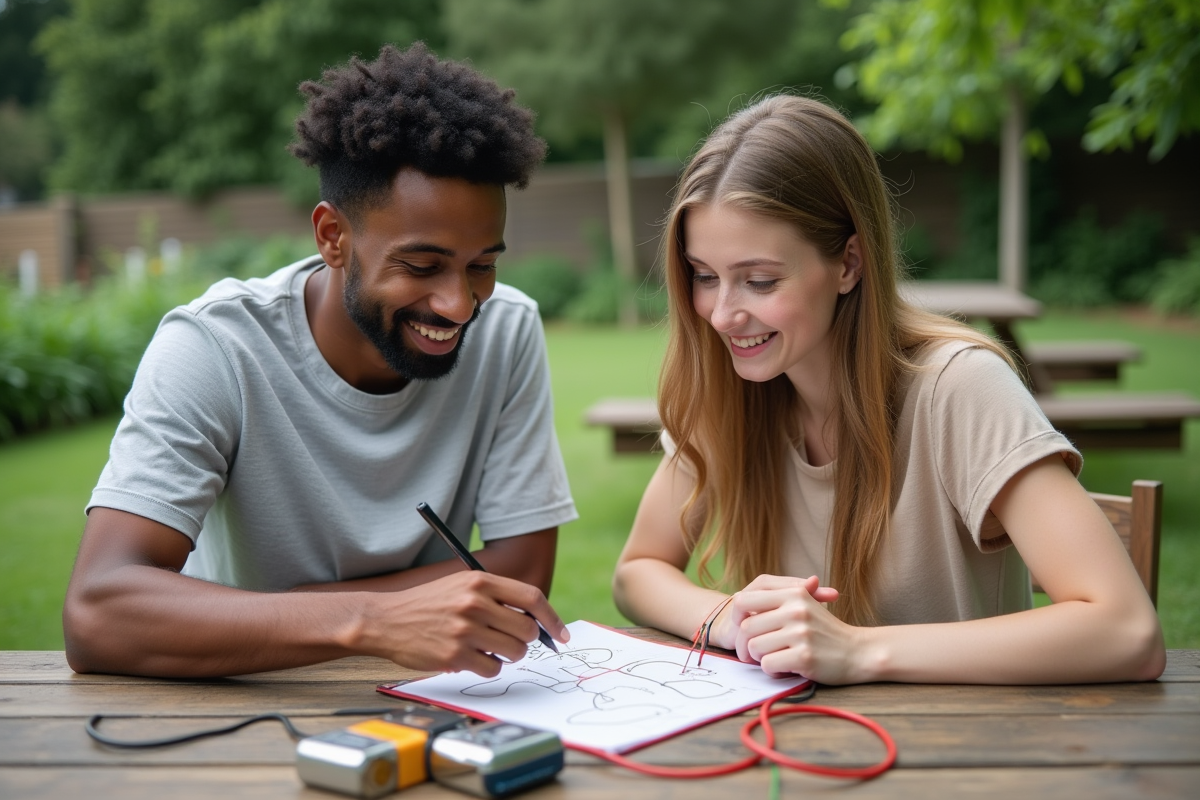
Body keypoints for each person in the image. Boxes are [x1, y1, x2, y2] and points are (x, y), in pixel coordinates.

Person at [612, 95, 1165, 685]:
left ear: (850, 262)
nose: (721, 315)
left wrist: (856, 651)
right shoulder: (732, 392)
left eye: (760, 280)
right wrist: (731, 620)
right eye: (704, 276)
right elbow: (637, 570)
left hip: (970, 754)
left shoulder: (959, 387)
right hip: (800, 754)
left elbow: (1127, 631)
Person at [63, 43, 576, 679]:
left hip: (431, 701)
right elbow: (98, 611)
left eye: (483, 265)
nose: (460, 304)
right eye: (421, 265)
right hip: (243, 712)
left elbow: (520, 570)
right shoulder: (214, 349)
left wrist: (260, 615)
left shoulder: (508, 330)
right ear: (333, 237)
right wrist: (370, 622)